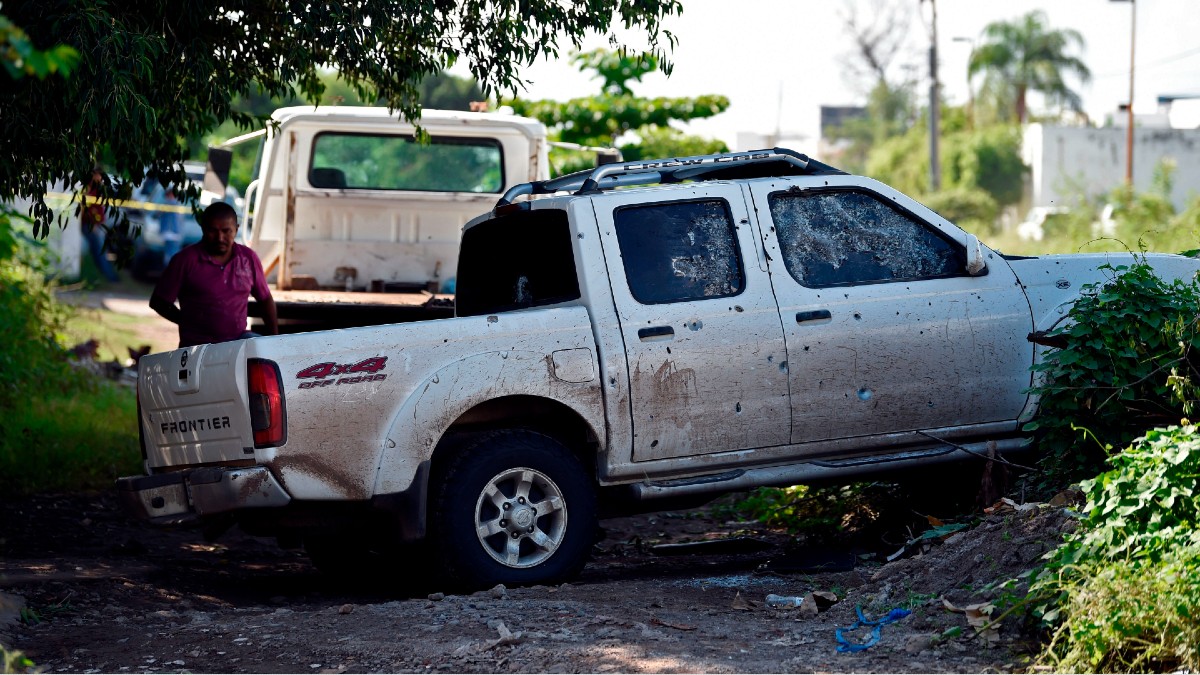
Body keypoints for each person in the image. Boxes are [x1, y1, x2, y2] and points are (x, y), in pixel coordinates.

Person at [150, 201, 278, 348]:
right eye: (213, 231)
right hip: (197, 347)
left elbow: (265, 299)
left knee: (263, 350)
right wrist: (186, 321)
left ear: (236, 230)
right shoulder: (185, 260)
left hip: (237, 343)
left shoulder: (248, 259)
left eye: (226, 231)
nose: (220, 237)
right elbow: (158, 302)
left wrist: (275, 340)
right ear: (203, 229)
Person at [81, 167, 119, 282]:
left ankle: (108, 274)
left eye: (101, 176)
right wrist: (93, 225)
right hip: (91, 226)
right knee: (100, 250)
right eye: (97, 175)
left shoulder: (97, 188)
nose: (99, 178)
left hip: (97, 225)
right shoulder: (88, 188)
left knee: (101, 249)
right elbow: (86, 209)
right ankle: (109, 276)